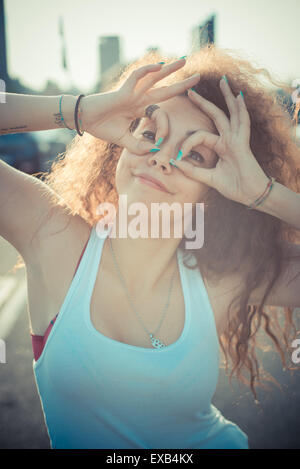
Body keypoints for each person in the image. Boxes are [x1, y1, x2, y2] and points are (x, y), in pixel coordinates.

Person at [0, 45, 299, 449]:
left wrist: (260, 191)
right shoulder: (52, 238)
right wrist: (82, 112)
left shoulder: (225, 278)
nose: (162, 159)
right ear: (117, 149)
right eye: (150, 134)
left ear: (214, 193)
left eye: (194, 153)